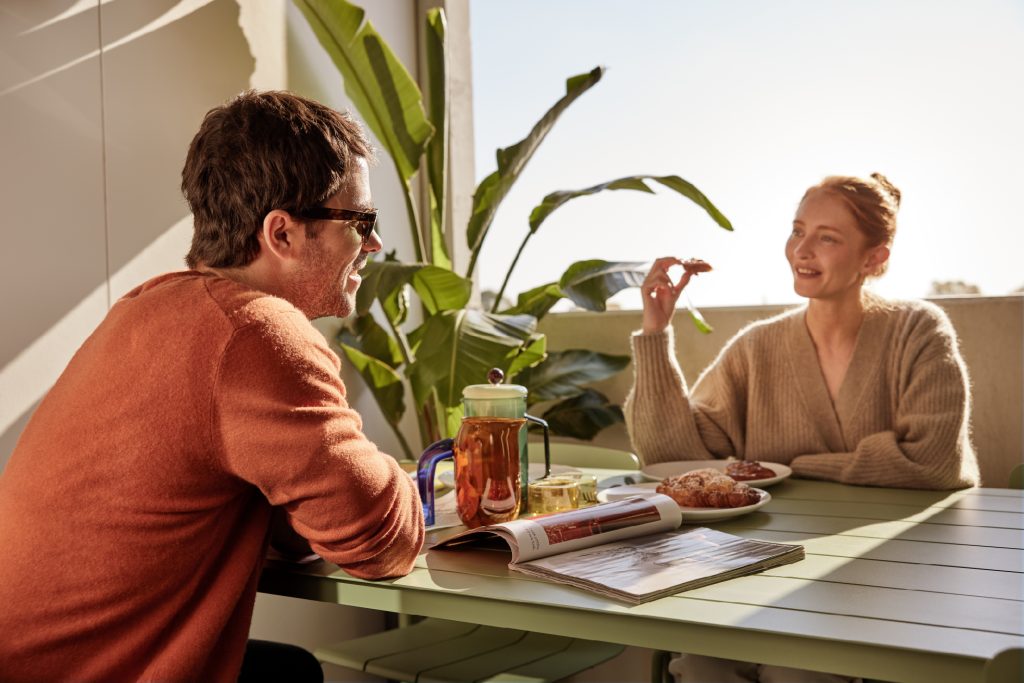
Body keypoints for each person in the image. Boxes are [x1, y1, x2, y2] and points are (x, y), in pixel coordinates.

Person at [0, 91, 424, 682]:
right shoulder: (254, 332)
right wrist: (417, 484)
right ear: (282, 233)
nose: (373, 244)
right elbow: (381, 542)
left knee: (287, 672)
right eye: (360, 220)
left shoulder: (145, 308)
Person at [625, 173, 979, 682]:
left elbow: (932, 464)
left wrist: (796, 466)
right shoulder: (757, 347)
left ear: (874, 259)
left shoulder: (918, 331)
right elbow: (672, 459)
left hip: (891, 578)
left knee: (801, 673)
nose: (802, 250)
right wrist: (656, 333)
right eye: (798, 230)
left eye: (827, 238)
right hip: (765, 574)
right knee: (700, 666)